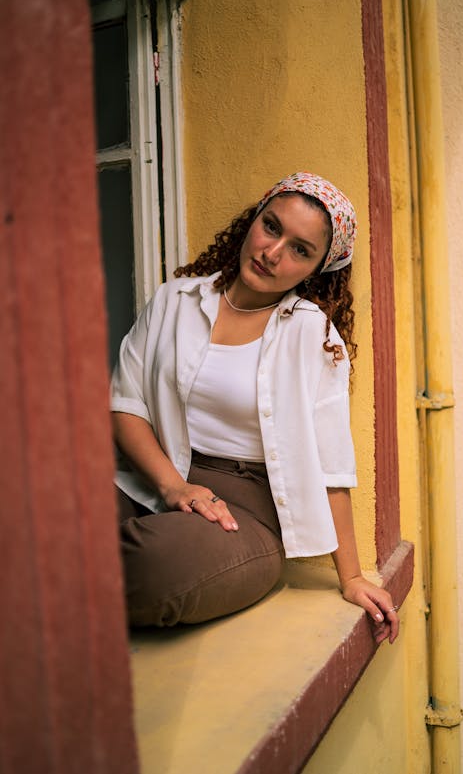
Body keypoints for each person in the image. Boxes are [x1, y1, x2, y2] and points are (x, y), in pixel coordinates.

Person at [111, 172, 399, 644]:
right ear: (252, 220)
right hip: (154, 475)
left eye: (300, 250)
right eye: (271, 227)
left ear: (316, 269)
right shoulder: (174, 302)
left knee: (156, 569)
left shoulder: (313, 336)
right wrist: (174, 487)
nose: (272, 252)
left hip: (246, 511)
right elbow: (126, 405)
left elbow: (331, 467)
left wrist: (350, 577)